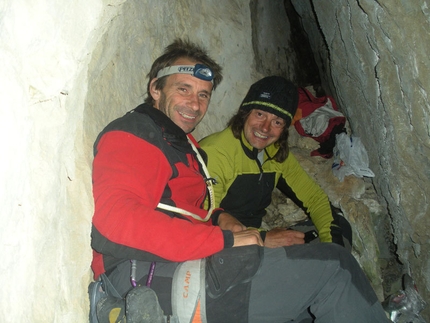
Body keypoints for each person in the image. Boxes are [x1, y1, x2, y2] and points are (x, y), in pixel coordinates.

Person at [89, 38, 390, 323]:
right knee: (335, 269)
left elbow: (189, 211)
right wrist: (229, 239)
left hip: (181, 261)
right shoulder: (135, 134)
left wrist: (221, 219)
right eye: (184, 89)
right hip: (142, 278)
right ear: (155, 88)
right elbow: (115, 223)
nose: (194, 104)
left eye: (203, 94)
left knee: (312, 283)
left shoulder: (183, 145)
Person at [199, 76, 352, 249]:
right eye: (260, 114)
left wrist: (333, 249)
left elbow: (314, 199)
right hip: (225, 245)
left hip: (255, 239)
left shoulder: (275, 153)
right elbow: (204, 217)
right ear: (245, 113)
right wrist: (263, 238)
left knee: (338, 227)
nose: (265, 128)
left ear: (284, 128)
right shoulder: (216, 152)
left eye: (277, 122)